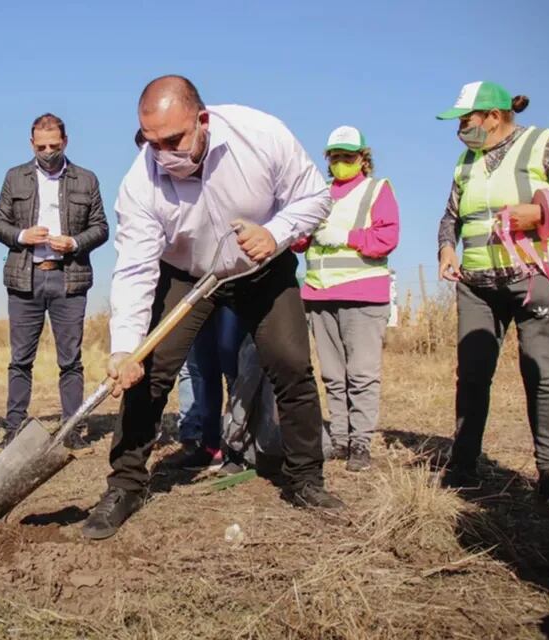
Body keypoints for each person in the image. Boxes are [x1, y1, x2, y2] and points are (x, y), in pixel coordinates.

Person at [82, 75, 342, 541]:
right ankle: (125, 485)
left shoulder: (260, 135)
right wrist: (125, 348)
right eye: (151, 141)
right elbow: (137, 269)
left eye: (173, 139)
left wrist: (276, 232)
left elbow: (315, 196)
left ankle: (306, 479)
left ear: (203, 120)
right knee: (150, 369)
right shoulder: (139, 183)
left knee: (291, 363)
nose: (162, 153)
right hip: (187, 275)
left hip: (261, 265)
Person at [436, 81, 549, 501]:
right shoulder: (465, 162)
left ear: (494, 116)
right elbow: (449, 218)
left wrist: (543, 211)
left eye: (466, 119)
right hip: (476, 287)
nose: (461, 128)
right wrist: (445, 250)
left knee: (541, 374)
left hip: (533, 279)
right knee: (472, 377)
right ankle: (463, 465)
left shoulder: (544, 144)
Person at [0, 113, 110, 449]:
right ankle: (13, 429)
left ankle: (71, 427)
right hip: (24, 279)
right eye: (41, 146)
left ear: (66, 142)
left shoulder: (86, 179)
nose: (47, 152)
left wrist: (73, 243)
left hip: (68, 280)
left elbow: (100, 227)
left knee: (70, 360)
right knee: (20, 359)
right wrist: (23, 235)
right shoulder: (15, 178)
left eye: (54, 146)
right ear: (31, 144)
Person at [292, 126, 400, 472]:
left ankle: (361, 444)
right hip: (319, 294)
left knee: (362, 374)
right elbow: (297, 242)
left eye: (347, 156)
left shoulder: (376, 190)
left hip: (363, 294)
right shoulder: (319, 194)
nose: (340, 162)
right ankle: (340, 439)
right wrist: (302, 231)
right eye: (334, 156)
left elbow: (387, 238)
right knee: (333, 375)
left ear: (362, 158)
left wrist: (344, 236)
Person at [172, 306, 243, 469]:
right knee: (203, 369)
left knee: (233, 366)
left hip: (231, 294)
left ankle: (238, 450)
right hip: (201, 295)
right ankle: (210, 446)